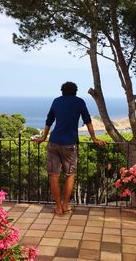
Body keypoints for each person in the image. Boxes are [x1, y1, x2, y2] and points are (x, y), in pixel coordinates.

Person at [34, 81, 105, 215]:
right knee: (70, 174)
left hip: (53, 142)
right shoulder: (79, 102)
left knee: (54, 175)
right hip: (69, 144)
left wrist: (43, 138)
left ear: (62, 91)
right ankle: (65, 205)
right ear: (75, 91)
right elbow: (87, 120)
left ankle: (58, 207)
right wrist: (94, 138)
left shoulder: (56, 101)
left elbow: (49, 120)